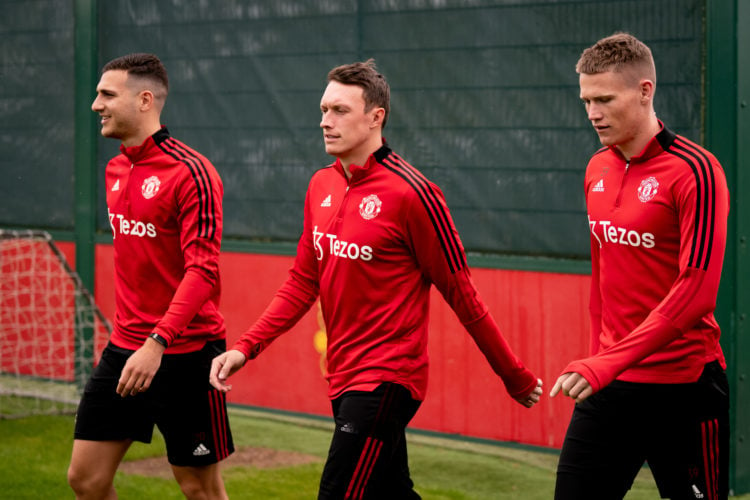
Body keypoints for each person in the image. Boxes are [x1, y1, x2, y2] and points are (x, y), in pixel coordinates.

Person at [209, 59, 543, 499]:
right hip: (343, 375)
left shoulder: (414, 194)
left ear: (375, 117)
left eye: (340, 111)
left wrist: (513, 374)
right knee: (391, 492)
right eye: (324, 109)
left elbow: (462, 293)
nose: (325, 121)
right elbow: (302, 283)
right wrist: (245, 347)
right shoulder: (319, 186)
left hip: (389, 379)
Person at [550, 33, 730, 500]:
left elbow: (696, 292)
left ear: (645, 91)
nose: (592, 112)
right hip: (610, 385)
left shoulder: (697, 171)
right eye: (587, 100)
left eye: (605, 99)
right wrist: (599, 358)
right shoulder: (595, 168)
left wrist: (603, 363)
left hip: (685, 389)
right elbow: (602, 280)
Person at [67, 53, 233, 500]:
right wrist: (138, 345)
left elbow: (202, 270)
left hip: (186, 354)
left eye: (106, 94)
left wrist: (157, 343)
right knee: (86, 479)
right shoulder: (115, 169)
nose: (95, 105)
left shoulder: (192, 172)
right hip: (125, 350)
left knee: (199, 489)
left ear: (144, 100)